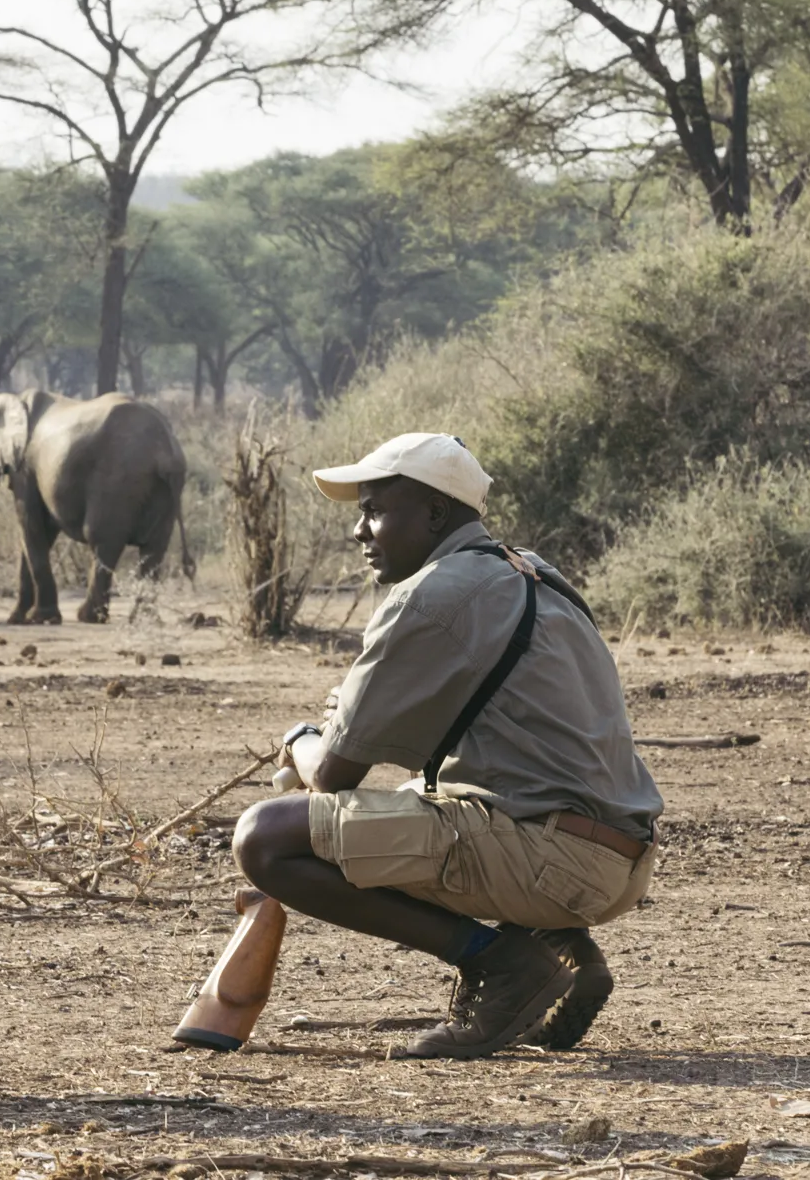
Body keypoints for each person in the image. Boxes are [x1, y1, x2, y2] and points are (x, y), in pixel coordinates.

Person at [233, 433, 663, 1059]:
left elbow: (331, 776)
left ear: (435, 512)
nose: (359, 530)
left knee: (266, 837)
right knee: (420, 794)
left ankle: (502, 964)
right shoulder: (534, 572)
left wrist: (302, 740)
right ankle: (570, 951)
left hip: (554, 861)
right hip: (620, 861)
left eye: (374, 510)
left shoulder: (430, 596)